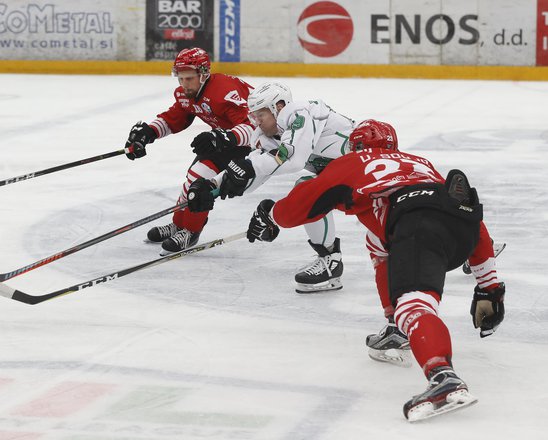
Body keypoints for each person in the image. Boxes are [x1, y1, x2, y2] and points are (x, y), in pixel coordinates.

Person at [244, 119, 506, 422]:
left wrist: (270, 214)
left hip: (416, 224)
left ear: (355, 146)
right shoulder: (419, 164)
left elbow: (303, 204)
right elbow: (466, 218)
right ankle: (399, 327)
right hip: (460, 227)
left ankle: (444, 379)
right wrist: (489, 288)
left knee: (415, 306)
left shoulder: (352, 162)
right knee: (386, 253)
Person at [187, 82, 356, 293]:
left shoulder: (299, 113)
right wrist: (214, 186)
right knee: (309, 190)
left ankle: (331, 260)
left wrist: (248, 168)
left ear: (279, 106)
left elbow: (291, 158)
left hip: (368, 170)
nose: (257, 123)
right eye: (254, 116)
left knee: (308, 190)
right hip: (347, 177)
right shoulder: (274, 134)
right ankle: (330, 260)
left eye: (261, 115)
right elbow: (258, 168)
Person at [124, 47, 254, 255]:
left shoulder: (225, 92)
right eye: (181, 79)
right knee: (193, 180)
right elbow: (175, 118)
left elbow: (253, 127)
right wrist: (149, 132)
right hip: (225, 140)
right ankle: (179, 225)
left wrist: (223, 137)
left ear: (203, 74)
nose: (184, 84)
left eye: (189, 79)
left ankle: (191, 231)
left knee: (199, 178)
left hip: (252, 145)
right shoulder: (188, 93)